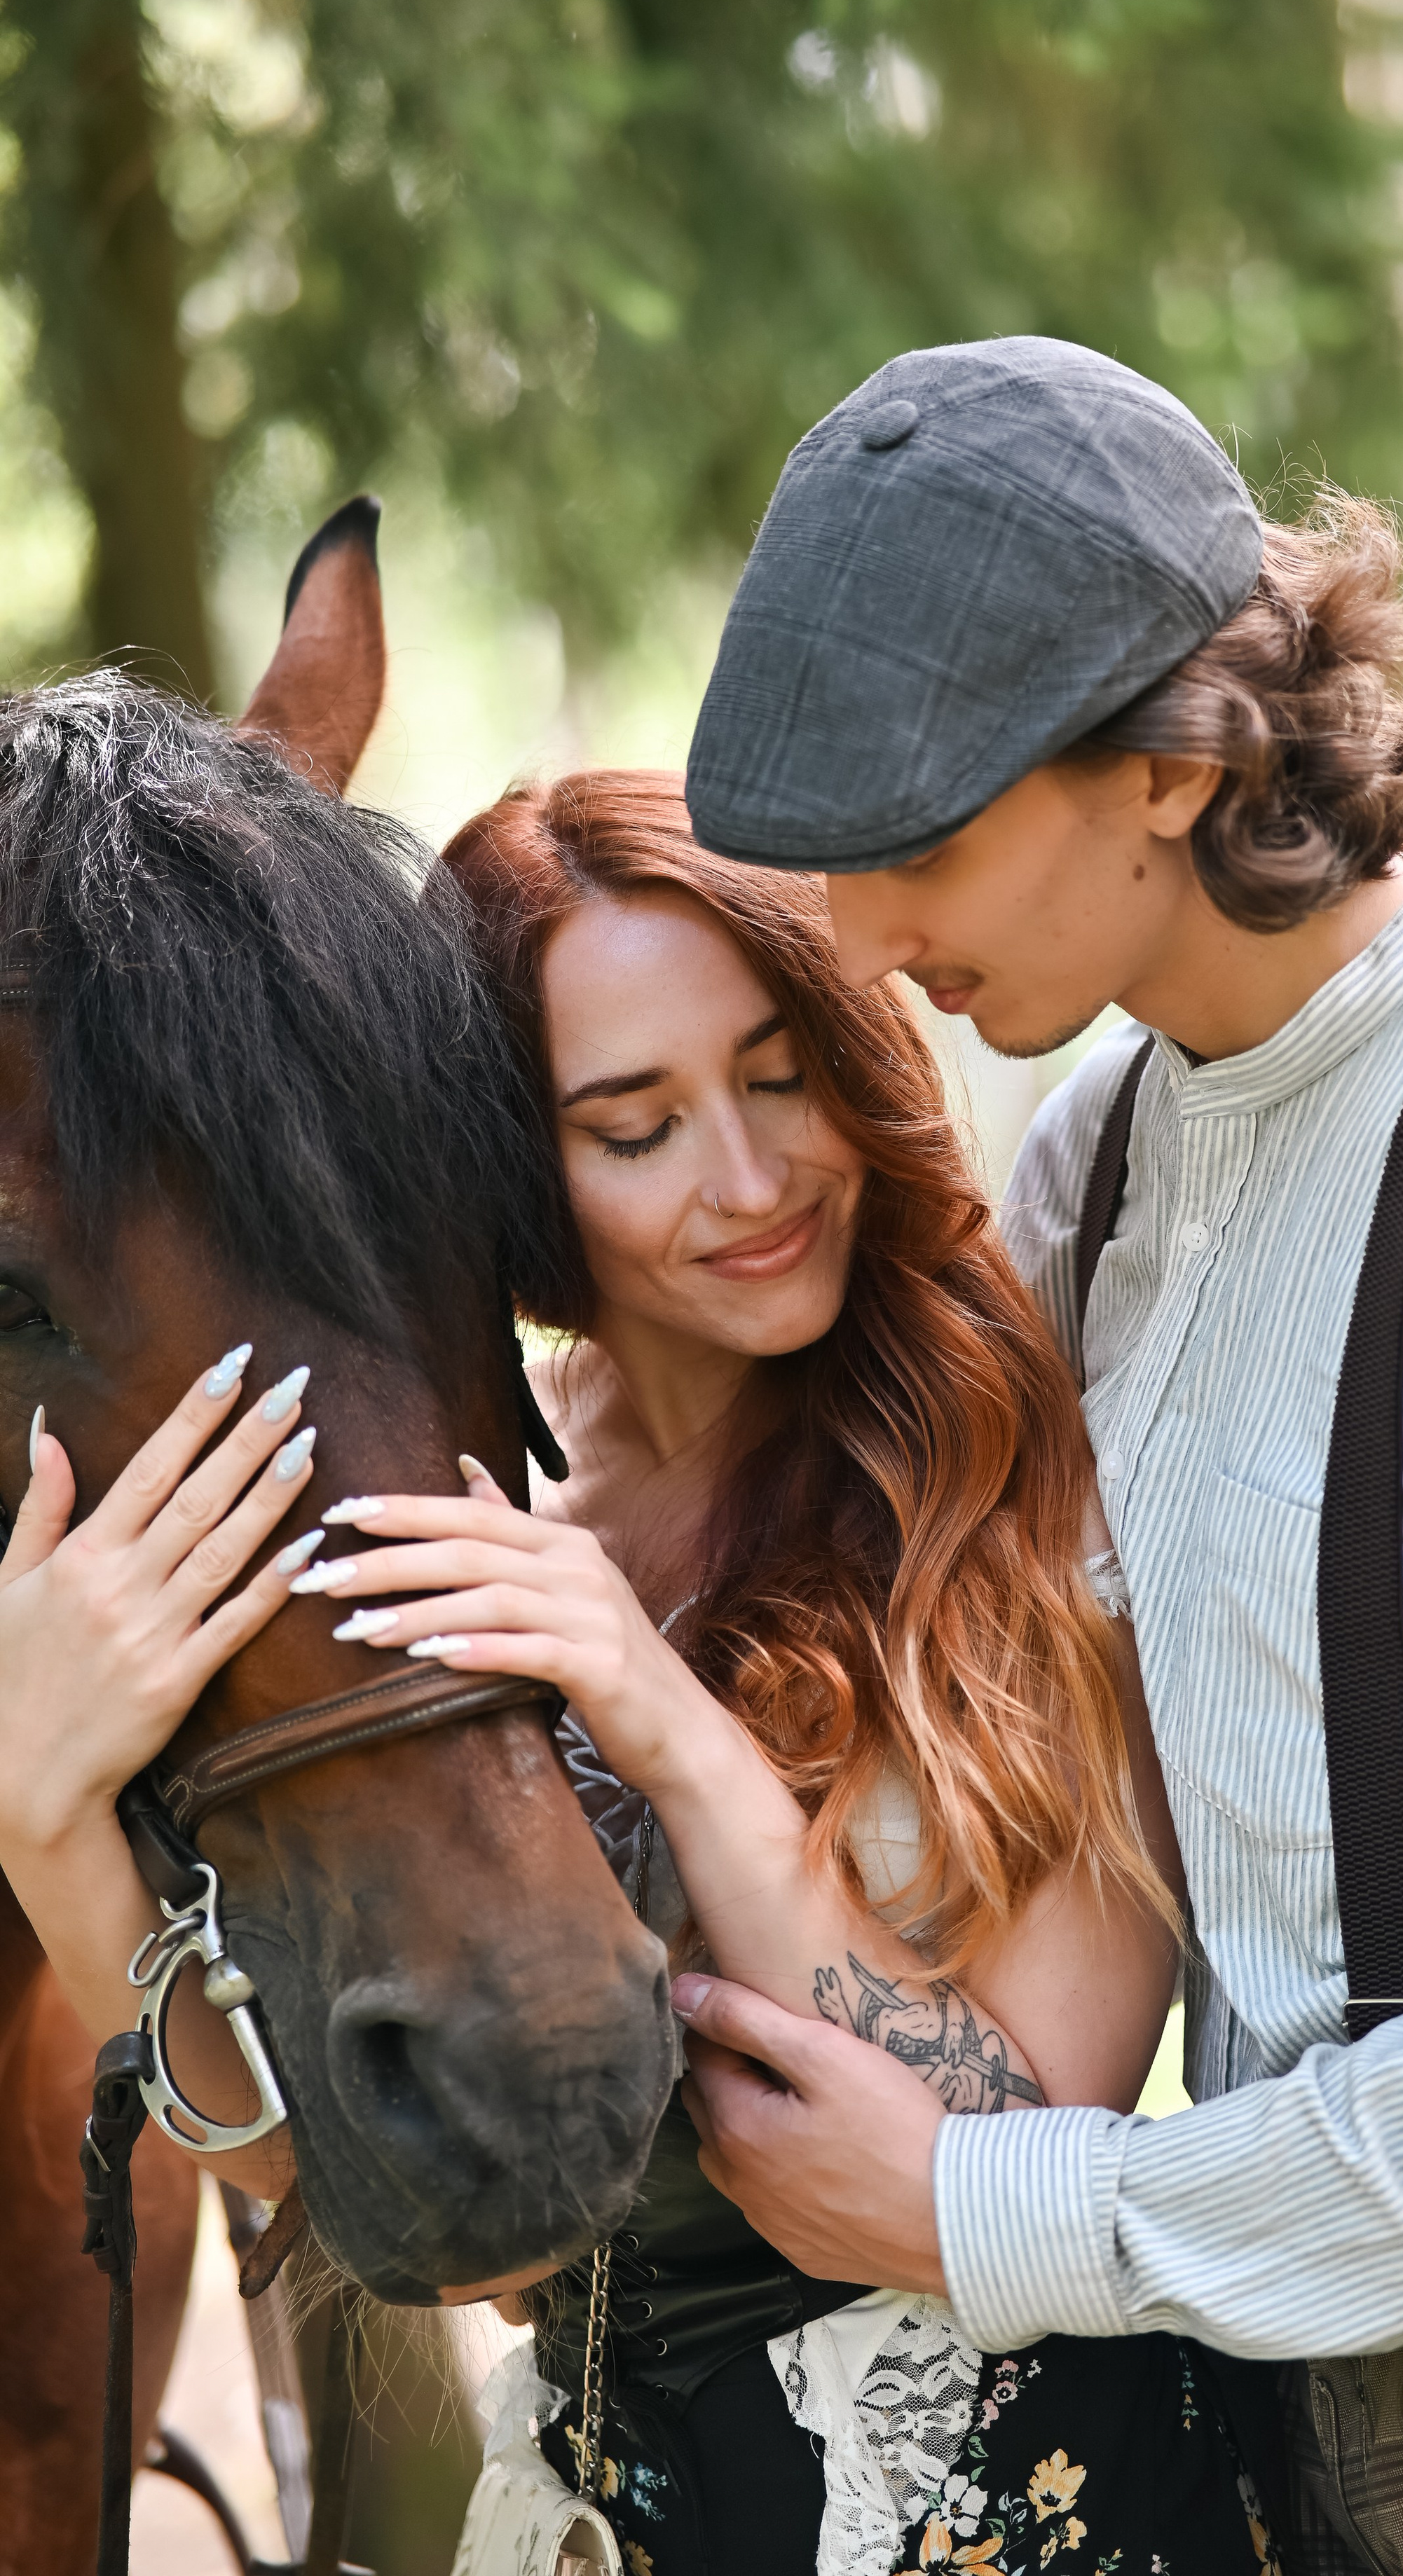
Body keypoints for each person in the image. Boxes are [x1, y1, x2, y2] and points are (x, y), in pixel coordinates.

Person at [648, 335, 1403, 2573]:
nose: (861, 943)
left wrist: (1001, 2210)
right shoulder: (1097, 1168)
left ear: (1171, 767)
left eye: (924, 845)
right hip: (1270, 2396)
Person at [0, 767, 1286, 2576]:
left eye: (781, 1076)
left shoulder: (1009, 1463)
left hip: (1025, 2518)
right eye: (637, 1127)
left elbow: (1021, 2140)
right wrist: (46, 1814)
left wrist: (658, 1712)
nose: (750, 1182)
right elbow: (352, 2173)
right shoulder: (455, 1507)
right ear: (509, 1175)